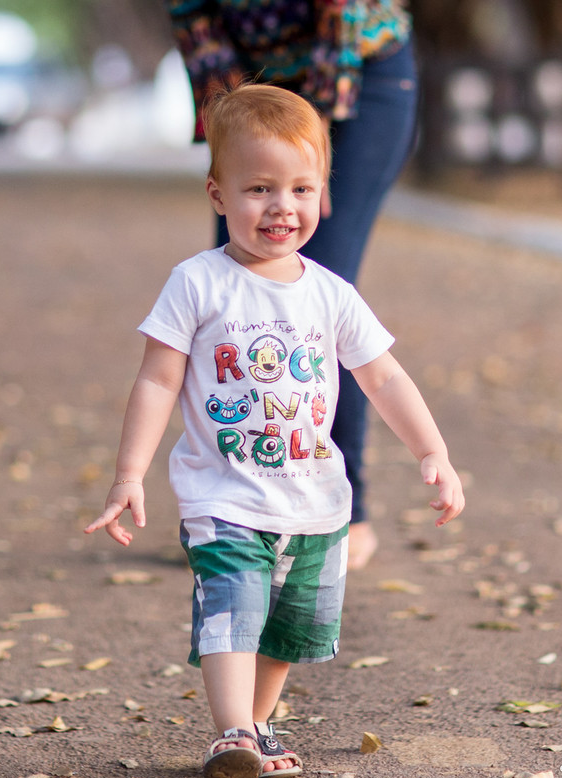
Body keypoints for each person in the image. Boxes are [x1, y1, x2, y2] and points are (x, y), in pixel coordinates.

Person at [84, 84, 463, 778]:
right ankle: (231, 731)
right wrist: (129, 473)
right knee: (231, 608)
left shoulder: (331, 293)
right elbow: (158, 380)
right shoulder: (198, 283)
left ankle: (254, 731)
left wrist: (432, 452)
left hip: (313, 502)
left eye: (301, 188)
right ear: (218, 194)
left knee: (286, 629)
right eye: (259, 188)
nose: (281, 206)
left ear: (324, 195)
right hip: (223, 496)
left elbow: (383, 377)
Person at [163, 0, 421, 570]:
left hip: (358, 72)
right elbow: (199, 30)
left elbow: (341, 16)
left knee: (315, 296)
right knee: (233, 287)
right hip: (256, 93)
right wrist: (230, 129)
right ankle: (232, 514)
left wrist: (312, 149)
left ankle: (347, 512)